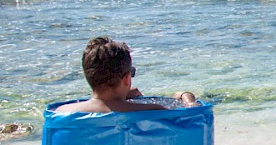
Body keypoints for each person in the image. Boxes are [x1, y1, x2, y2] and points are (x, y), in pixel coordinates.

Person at [54, 37, 198, 114]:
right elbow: (194, 115)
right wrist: (186, 97)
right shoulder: (153, 111)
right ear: (127, 78)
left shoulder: (62, 112)